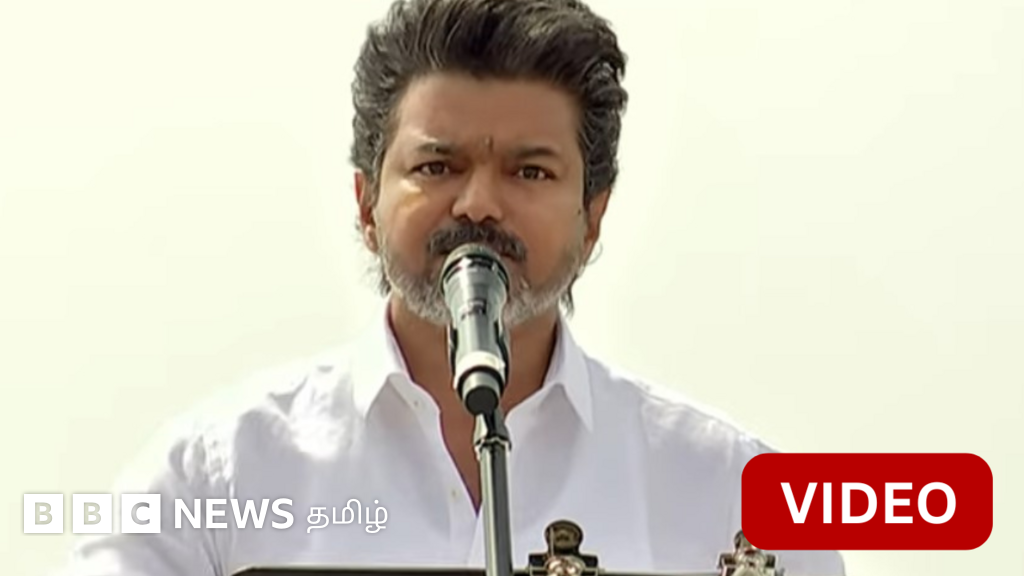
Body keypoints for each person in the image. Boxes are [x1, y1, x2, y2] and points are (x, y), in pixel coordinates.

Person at [61, 0, 845, 574]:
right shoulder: (215, 479)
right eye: (437, 165)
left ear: (593, 216)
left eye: (530, 171)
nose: (478, 204)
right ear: (366, 203)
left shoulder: (734, 495)